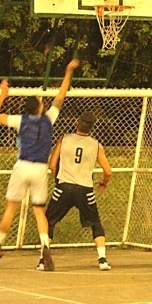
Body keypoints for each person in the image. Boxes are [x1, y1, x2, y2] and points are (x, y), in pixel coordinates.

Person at [0, 59, 80, 270]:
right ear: (39, 107)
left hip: (22, 166)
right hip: (40, 168)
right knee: (39, 211)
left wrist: (2, 96)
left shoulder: (20, 120)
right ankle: (45, 248)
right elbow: (62, 94)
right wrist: (67, 71)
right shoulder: (49, 119)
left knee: (11, 207)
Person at [41, 111, 113, 271]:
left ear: (76, 123)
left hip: (64, 187)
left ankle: (42, 260)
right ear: (92, 128)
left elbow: (52, 164)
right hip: (85, 189)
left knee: (48, 221)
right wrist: (104, 182)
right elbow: (108, 171)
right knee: (95, 223)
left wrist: (59, 180)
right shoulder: (96, 145)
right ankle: (102, 260)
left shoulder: (64, 139)